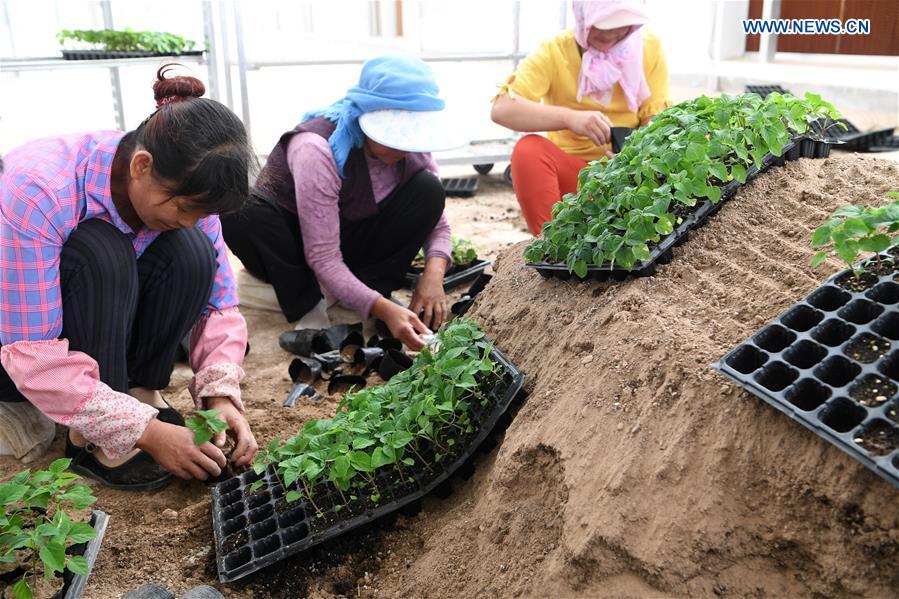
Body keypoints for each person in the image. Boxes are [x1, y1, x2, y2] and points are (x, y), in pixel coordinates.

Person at [0, 66, 258, 489]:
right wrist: (147, 433)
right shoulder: (39, 191)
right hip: (16, 351)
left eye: (201, 212)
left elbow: (219, 305)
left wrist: (220, 394)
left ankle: (139, 391)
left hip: (80, 336)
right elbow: (32, 356)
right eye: (184, 208)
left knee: (191, 250)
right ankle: (93, 435)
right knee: (101, 250)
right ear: (141, 165)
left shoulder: (186, 187)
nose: (191, 218)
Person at [221, 55, 467, 351]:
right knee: (242, 210)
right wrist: (385, 310)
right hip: (291, 248)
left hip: (350, 239)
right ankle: (309, 306)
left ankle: (369, 290)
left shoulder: (413, 148)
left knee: (428, 190)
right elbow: (323, 255)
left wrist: (433, 277)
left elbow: (437, 223)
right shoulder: (316, 147)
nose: (404, 146)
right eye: (395, 135)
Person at [491, 0, 671, 235]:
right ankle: (550, 242)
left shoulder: (649, 47)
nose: (609, 34)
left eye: (621, 24)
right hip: (574, 178)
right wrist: (570, 119)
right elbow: (502, 109)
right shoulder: (555, 51)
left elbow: (656, 118)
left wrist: (633, 155)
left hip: (628, 181)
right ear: (583, 16)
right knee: (528, 150)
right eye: (601, 24)